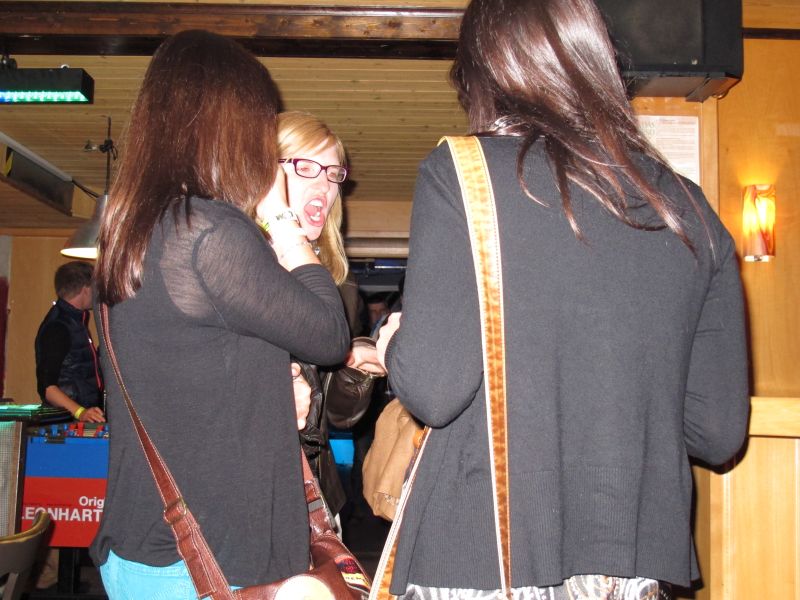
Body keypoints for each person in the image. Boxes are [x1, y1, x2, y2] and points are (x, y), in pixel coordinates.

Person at [375, 0, 750, 598]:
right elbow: (717, 432)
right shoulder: (690, 210)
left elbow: (435, 391)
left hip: (479, 556)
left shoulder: (465, 173)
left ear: (485, 70)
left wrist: (393, 344)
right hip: (630, 560)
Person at [90, 31, 350, 598]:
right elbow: (330, 334)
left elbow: (191, 382)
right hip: (205, 560)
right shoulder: (209, 231)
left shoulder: (135, 232)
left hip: (147, 545)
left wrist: (276, 389)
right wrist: (280, 217)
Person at [267, 110, 385, 522]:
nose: (325, 185)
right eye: (305, 167)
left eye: (333, 174)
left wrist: (354, 368)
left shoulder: (335, 279)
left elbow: (336, 416)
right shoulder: (233, 260)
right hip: (246, 494)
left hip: (315, 495)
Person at [34, 260, 104, 423]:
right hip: (65, 422)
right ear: (86, 289)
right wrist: (80, 412)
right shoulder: (58, 327)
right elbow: (47, 388)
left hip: (75, 419)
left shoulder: (73, 322)